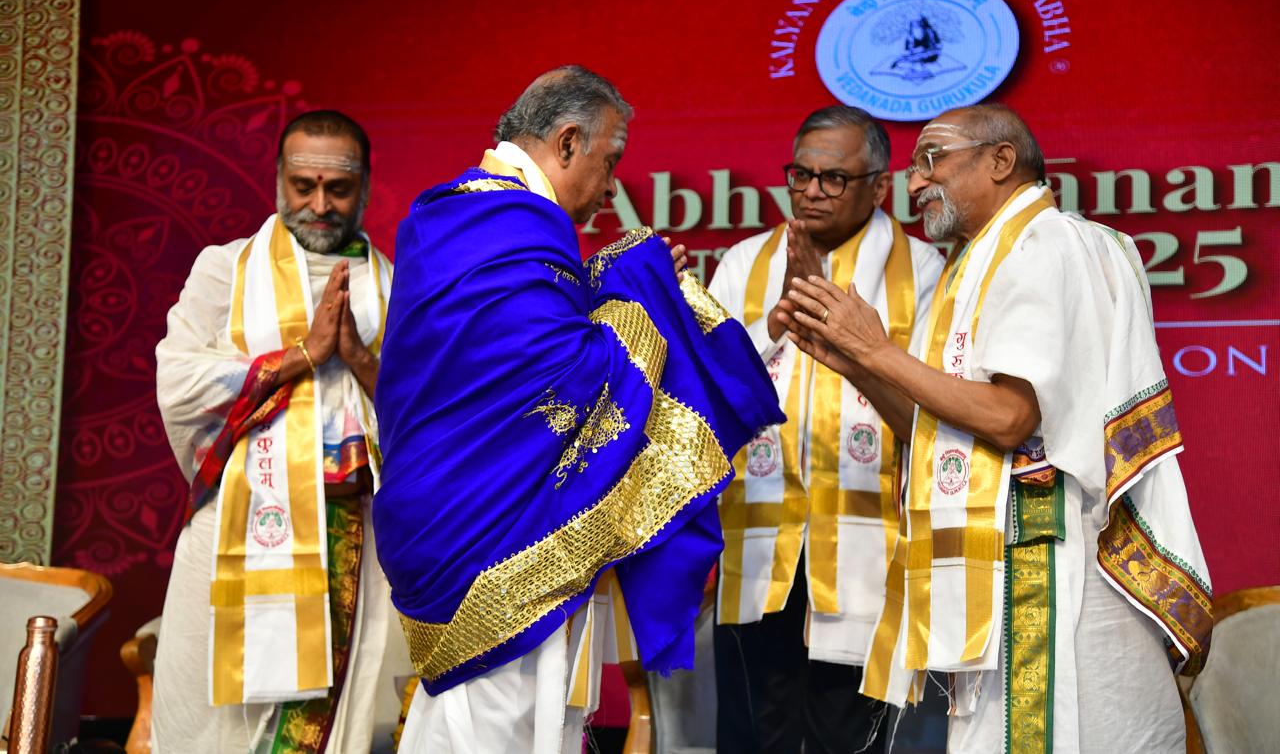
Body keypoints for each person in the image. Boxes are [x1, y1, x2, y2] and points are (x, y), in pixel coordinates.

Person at [372, 65, 784, 754]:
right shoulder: (518, 223)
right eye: (610, 160)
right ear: (567, 142)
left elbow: (519, 354)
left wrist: (630, 282)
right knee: (497, 723)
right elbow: (563, 370)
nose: (613, 185)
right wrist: (643, 292)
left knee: (479, 720)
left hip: (449, 505)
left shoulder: (448, 217)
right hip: (485, 523)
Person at [778, 104, 1212, 753]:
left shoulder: (1044, 243)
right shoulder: (982, 260)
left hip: (1049, 563)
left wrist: (877, 351)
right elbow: (938, 431)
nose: (915, 182)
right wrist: (856, 364)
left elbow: (1010, 418)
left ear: (1001, 160)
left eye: (932, 160)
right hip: (1011, 560)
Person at [153, 110, 410, 753]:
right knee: (217, 727)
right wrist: (303, 355)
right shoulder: (226, 270)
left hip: (354, 533)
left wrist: (358, 359)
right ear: (278, 180)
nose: (319, 205)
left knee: (336, 726)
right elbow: (179, 381)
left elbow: (429, 415)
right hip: (239, 528)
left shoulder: (396, 288)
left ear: (366, 187)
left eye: (338, 189)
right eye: (303, 185)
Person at [708, 105, 944, 753]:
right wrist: (777, 321)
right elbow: (705, 395)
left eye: (834, 178)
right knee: (753, 737)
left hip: (869, 549)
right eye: (801, 174)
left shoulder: (923, 271)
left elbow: (933, 406)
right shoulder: (744, 263)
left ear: (879, 186)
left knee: (850, 739)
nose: (812, 190)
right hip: (760, 545)